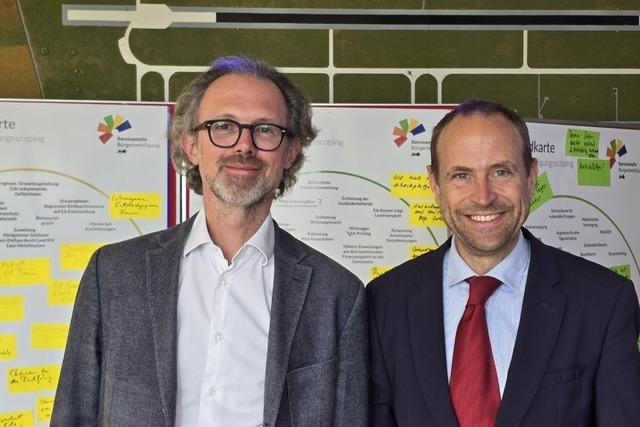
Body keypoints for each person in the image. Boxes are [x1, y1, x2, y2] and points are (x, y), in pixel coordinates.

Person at [51, 55, 367, 426]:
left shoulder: (336, 295)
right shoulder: (113, 275)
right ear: (191, 145)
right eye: (223, 126)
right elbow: (73, 414)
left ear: (290, 151)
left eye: (265, 129)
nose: (244, 146)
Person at [367, 99, 640, 426]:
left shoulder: (604, 302)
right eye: (462, 175)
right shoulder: (384, 302)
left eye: (501, 172)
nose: (483, 197)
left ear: (531, 177)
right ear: (435, 186)